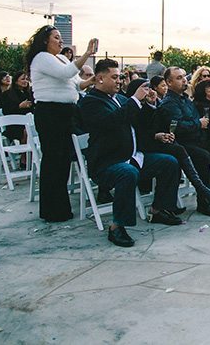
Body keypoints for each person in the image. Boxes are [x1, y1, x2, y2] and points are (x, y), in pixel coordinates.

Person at [79, 59, 184, 248]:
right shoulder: (90, 102)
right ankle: (117, 226)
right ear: (100, 78)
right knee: (127, 173)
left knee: (169, 162)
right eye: (114, 77)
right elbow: (111, 121)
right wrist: (135, 100)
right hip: (107, 163)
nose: (119, 81)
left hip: (133, 157)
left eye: (120, 77)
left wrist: (150, 105)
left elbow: (141, 123)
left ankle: (158, 209)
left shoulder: (120, 99)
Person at [26, 25, 97, 222]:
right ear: (45, 41)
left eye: (60, 37)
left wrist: (93, 80)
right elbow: (66, 73)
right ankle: (51, 210)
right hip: (50, 113)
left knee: (64, 160)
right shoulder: (42, 58)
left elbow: (77, 83)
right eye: (56, 37)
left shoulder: (63, 58)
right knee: (53, 161)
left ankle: (62, 208)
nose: (60, 41)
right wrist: (87, 54)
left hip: (67, 113)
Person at [128, 77, 210, 212]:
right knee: (183, 154)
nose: (148, 91)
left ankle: (173, 203)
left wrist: (161, 133)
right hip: (144, 147)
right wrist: (157, 135)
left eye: (148, 88)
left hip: (164, 140)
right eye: (144, 88)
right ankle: (201, 191)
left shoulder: (153, 105)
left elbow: (155, 125)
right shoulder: (134, 107)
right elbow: (141, 132)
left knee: (182, 154)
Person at [154, 66, 210, 212]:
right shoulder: (170, 102)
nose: (184, 80)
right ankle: (204, 202)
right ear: (169, 82)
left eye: (184, 77)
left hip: (197, 138)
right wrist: (198, 123)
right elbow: (177, 126)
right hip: (183, 142)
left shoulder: (186, 99)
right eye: (179, 78)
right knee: (203, 156)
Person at [1, 70, 34, 147]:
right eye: (23, 79)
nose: (25, 81)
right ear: (16, 81)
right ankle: (24, 156)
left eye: (26, 79)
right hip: (15, 124)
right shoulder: (8, 94)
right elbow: (6, 111)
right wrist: (19, 106)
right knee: (26, 131)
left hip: (29, 121)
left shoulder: (30, 93)